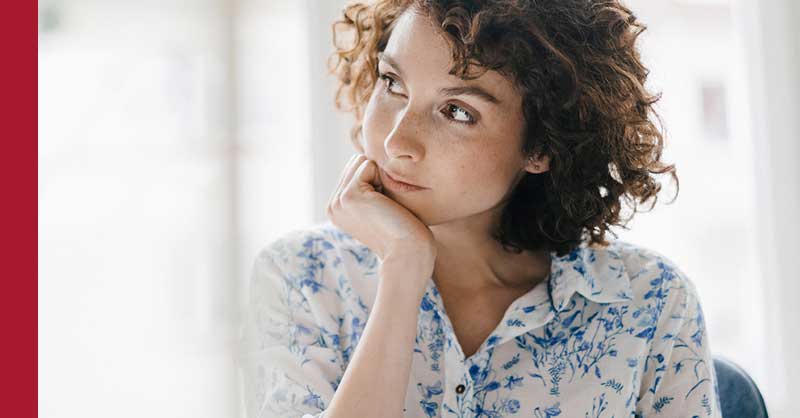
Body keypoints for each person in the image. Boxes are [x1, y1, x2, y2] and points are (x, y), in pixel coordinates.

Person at [236, 1, 722, 417]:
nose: (396, 140)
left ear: (541, 146)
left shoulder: (649, 303)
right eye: (393, 83)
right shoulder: (301, 278)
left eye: (458, 112)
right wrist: (403, 267)